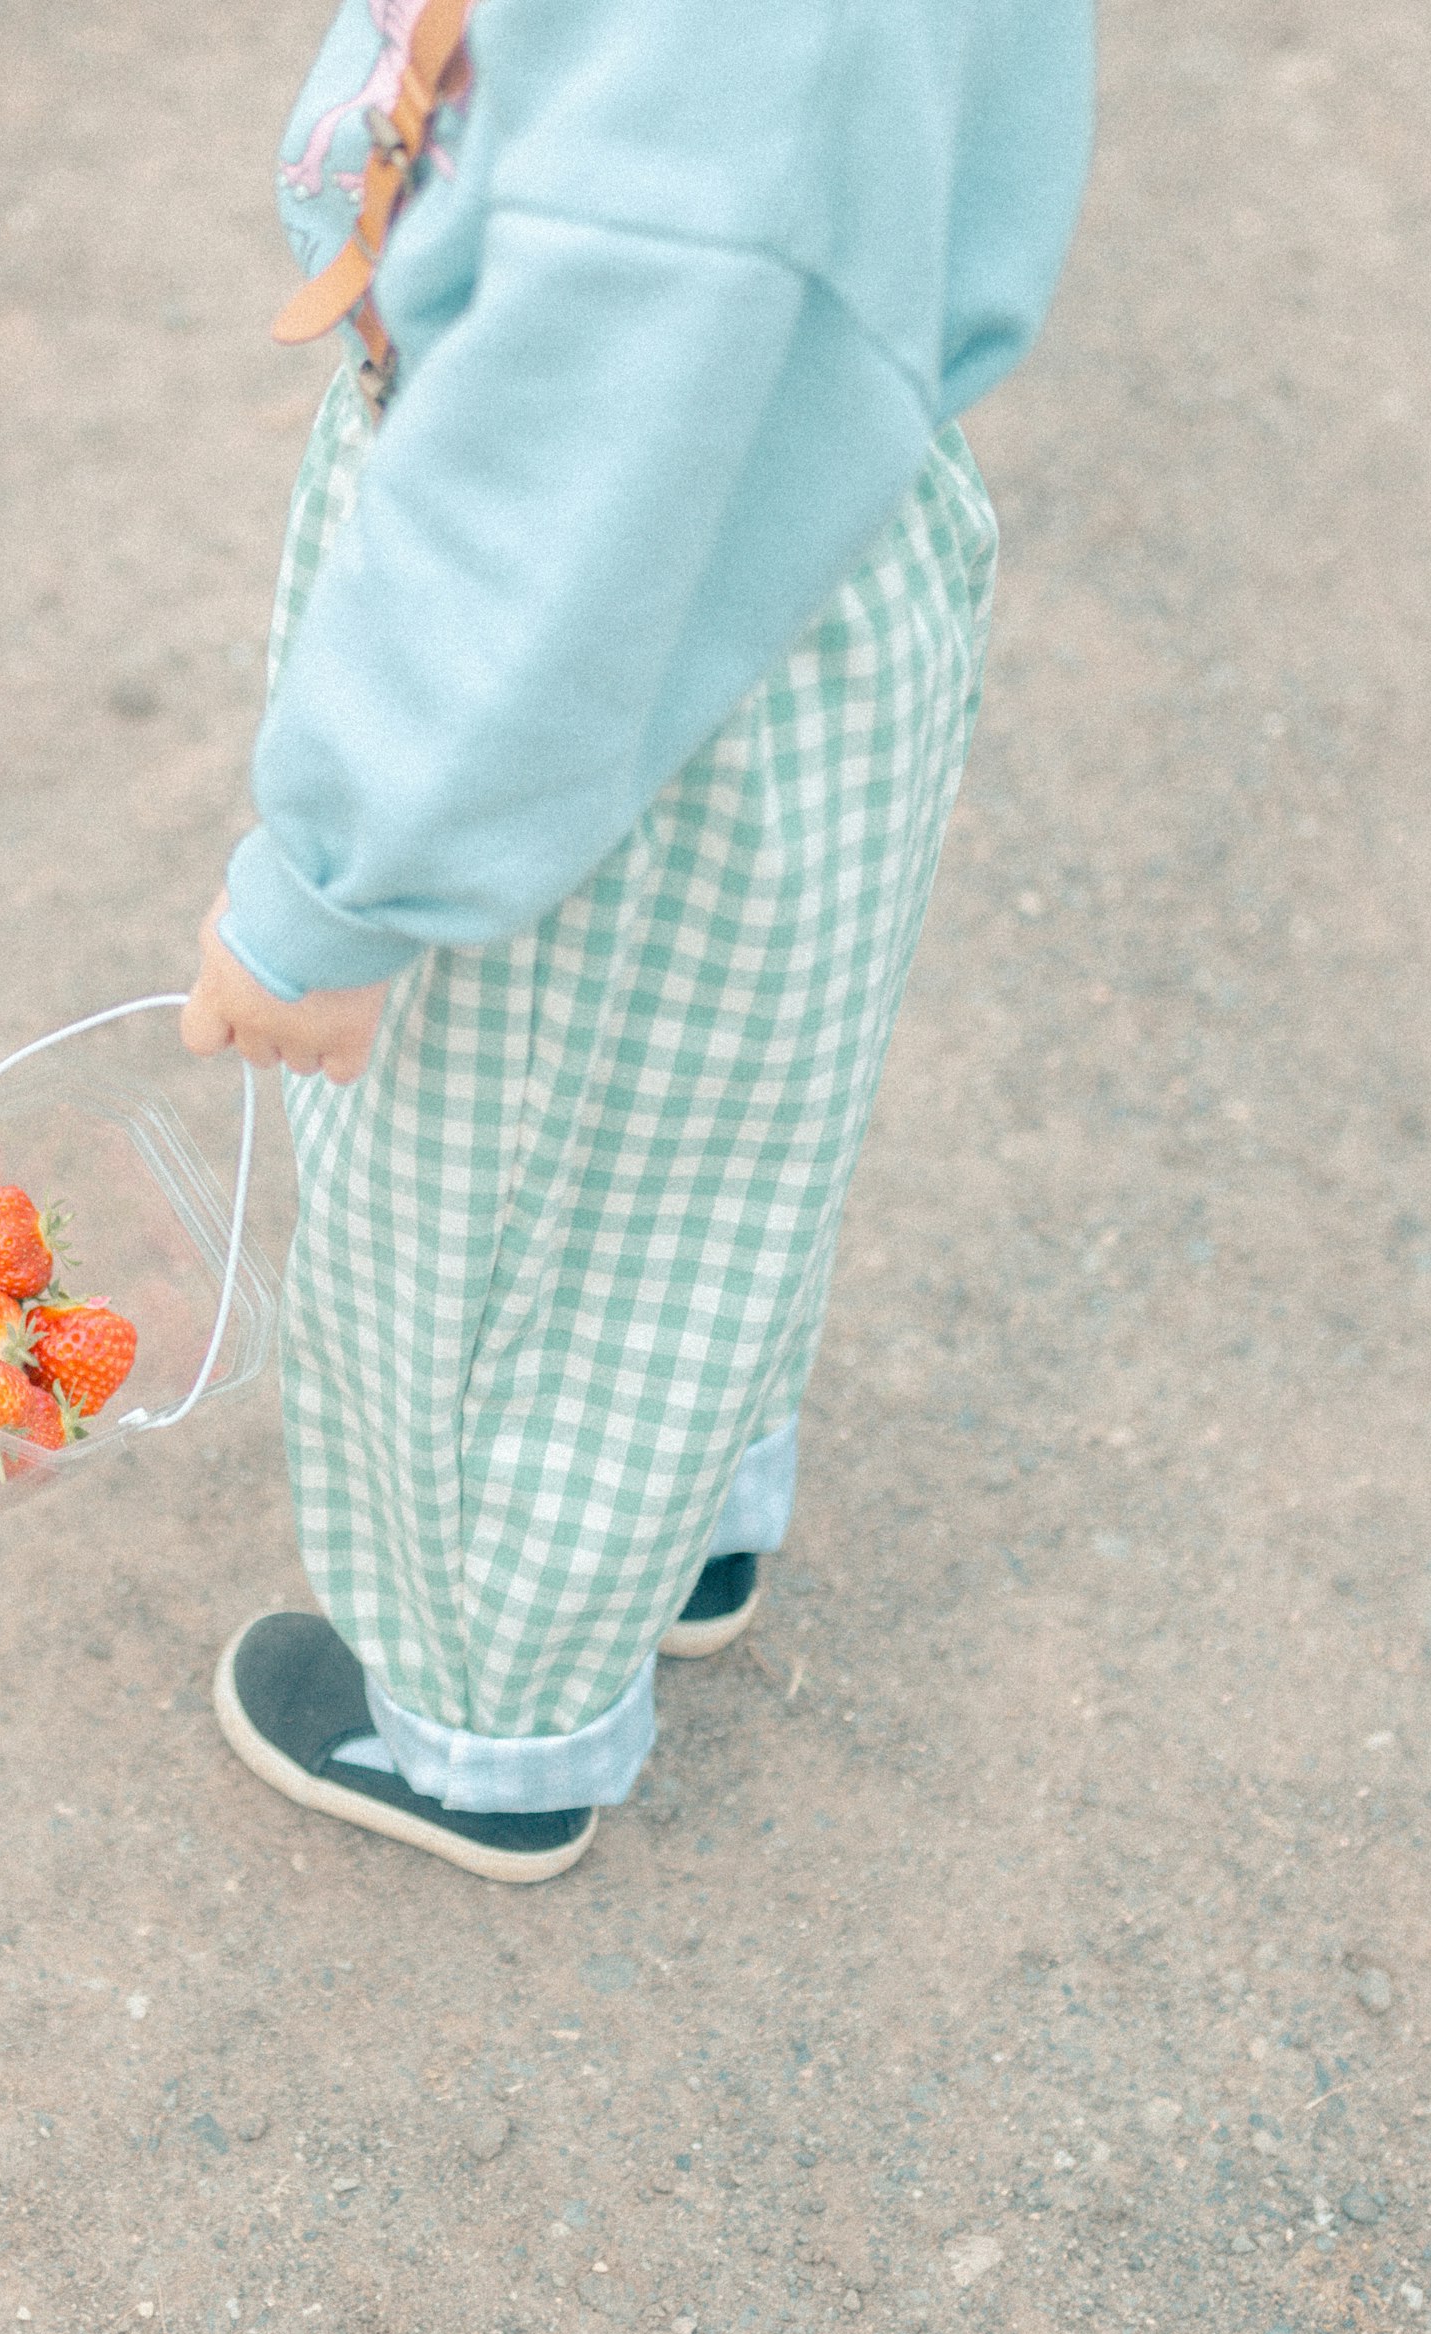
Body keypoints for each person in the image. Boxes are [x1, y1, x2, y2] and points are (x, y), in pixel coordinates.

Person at [178, 0, 1096, 1880]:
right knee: (699, 1144)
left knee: (481, 1201)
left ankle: (475, 1717)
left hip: (599, 679)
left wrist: (345, 881)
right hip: (812, 541)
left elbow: (564, 485)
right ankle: (683, 1522)